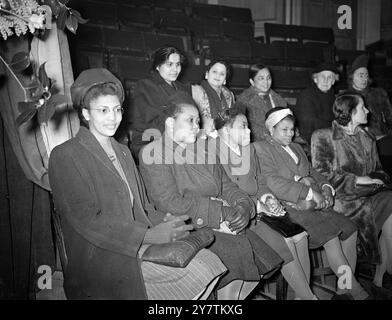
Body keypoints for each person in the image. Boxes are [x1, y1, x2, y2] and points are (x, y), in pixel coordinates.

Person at [48, 68, 227, 300]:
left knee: (212, 263)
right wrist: (148, 236)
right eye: (103, 110)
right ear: (86, 113)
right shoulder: (66, 154)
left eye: (116, 110)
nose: (113, 117)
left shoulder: (122, 152)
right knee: (199, 270)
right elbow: (87, 220)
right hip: (102, 255)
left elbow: (144, 206)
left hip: (135, 242)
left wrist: (169, 223)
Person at [139, 91, 283, 300]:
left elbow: (226, 186)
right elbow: (169, 203)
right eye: (190, 120)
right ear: (171, 123)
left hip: (222, 219)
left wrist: (243, 206)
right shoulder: (154, 153)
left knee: (257, 267)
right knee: (240, 258)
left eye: (198, 121)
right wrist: (223, 213)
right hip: (187, 225)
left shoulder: (204, 150)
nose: (196, 126)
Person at [255, 107, 369, 300]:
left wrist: (325, 187)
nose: (290, 133)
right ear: (271, 130)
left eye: (292, 129)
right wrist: (307, 190)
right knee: (331, 237)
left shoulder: (296, 147)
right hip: (291, 207)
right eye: (284, 129)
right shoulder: (262, 148)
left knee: (349, 229)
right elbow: (273, 182)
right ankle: (355, 290)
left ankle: (343, 288)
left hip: (313, 205)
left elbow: (312, 173)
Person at [214, 107, 319, 300]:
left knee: (300, 235)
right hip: (241, 214)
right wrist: (257, 205)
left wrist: (269, 198)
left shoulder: (249, 149)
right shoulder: (214, 153)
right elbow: (223, 191)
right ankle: (309, 297)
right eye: (243, 127)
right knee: (286, 242)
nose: (249, 131)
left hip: (259, 208)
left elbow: (261, 182)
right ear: (227, 130)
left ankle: (303, 296)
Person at [311, 92, 392, 289]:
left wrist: (377, 180)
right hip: (340, 200)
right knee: (350, 227)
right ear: (349, 112)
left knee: (390, 201)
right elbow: (322, 176)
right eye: (362, 107)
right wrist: (357, 180)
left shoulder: (367, 137)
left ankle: (383, 273)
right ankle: (345, 288)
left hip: (367, 195)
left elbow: (379, 170)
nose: (367, 111)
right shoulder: (323, 137)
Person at [129, 46, 191, 159]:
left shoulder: (182, 88)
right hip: (149, 140)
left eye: (178, 64)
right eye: (169, 64)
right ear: (158, 66)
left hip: (178, 139)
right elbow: (150, 122)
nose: (175, 69)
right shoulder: (145, 86)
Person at [347, 54, 392, 176]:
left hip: (382, 138)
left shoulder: (379, 94)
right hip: (358, 140)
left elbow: (389, 117)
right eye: (360, 75)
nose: (364, 79)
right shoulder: (346, 97)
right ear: (352, 77)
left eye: (366, 75)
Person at [295, 62, 339, 144]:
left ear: (333, 81)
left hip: (329, 134)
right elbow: (308, 122)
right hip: (310, 136)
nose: (326, 80)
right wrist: (335, 127)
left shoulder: (333, 97)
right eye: (322, 76)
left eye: (330, 77)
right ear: (315, 79)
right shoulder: (306, 95)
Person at [192, 60, 235, 137]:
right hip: (202, 137)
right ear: (207, 74)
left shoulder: (229, 96)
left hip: (225, 137)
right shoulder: (196, 91)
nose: (217, 76)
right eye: (214, 72)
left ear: (225, 79)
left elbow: (232, 121)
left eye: (222, 74)